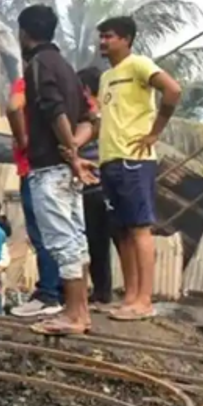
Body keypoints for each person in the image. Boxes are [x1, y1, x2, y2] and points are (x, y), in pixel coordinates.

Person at [17, 5, 97, 336]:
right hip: (63, 166)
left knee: (62, 242)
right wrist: (74, 148)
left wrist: (70, 152)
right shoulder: (67, 68)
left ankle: (75, 316)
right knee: (76, 239)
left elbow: (54, 110)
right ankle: (79, 311)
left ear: (23, 33)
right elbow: (91, 119)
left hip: (50, 168)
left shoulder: (38, 66)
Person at [95, 16, 181, 320]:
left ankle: (144, 300)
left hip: (135, 158)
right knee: (121, 231)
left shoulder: (140, 64)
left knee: (140, 228)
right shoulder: (106, 78)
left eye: (109, 36)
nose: (103, 42)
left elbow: (172, 91)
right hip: (109, 160)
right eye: (101, 37)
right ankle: (130, 296)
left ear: (126, 39)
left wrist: (155, 131)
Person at [7, 75, 64, 319]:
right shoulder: (68, 82)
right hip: (58, 169)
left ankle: (48, 294)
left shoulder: (30, 81)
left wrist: (22, 140)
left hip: (34, 169)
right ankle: (59, 292)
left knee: (42, 235)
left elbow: (13, 106)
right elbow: (93, 119)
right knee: (61, 234)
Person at [76, 66, 114, 307]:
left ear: (86, 89)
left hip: (93, 183)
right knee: (103, 241)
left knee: (95, 240)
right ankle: (102, 290)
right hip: (107, 182)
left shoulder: (91, 114)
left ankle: (101, 291)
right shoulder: (111, 111)